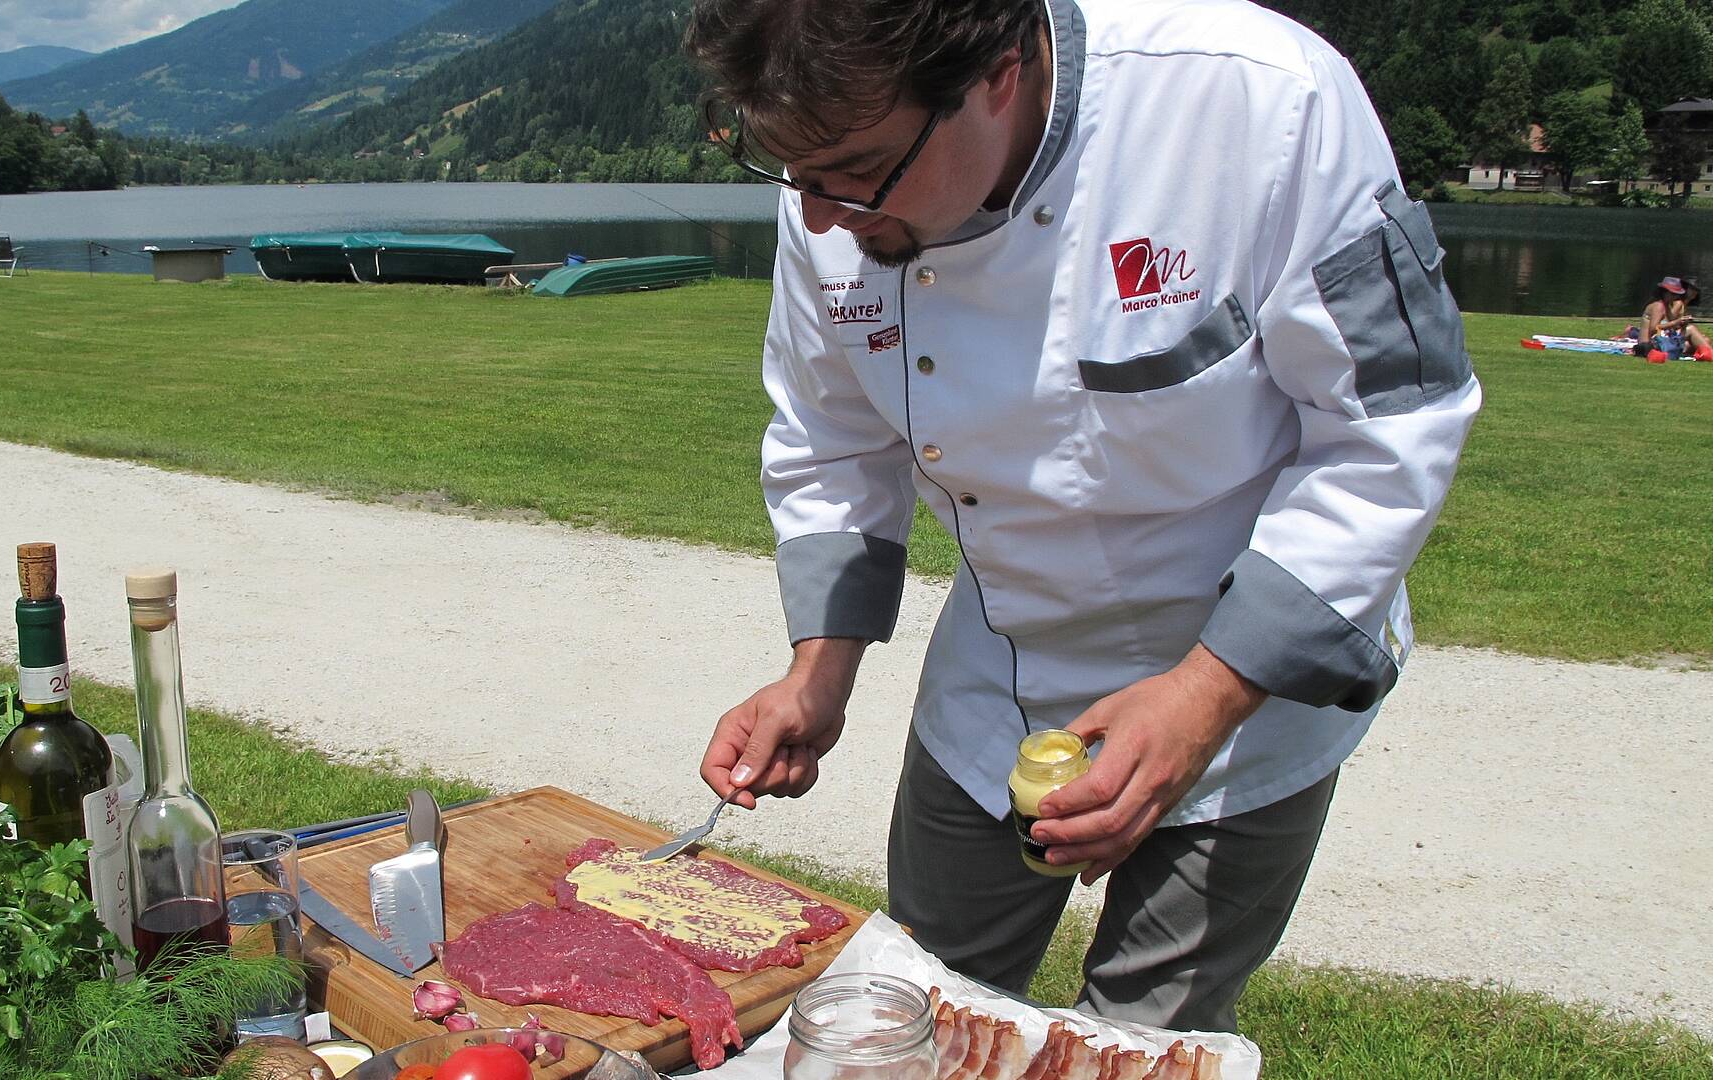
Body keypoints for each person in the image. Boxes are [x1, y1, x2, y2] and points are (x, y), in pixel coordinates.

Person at [684, 0, 1482, 1034]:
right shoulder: (835, 187)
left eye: (857, 170)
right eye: (792, 174)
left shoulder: (1260, 100)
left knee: (1140, 1040)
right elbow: (832, 442)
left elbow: (1390, 425)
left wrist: (1203, 697)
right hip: (999, 683)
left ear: (1000, 74)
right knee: (917, 1007)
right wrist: (817, 672)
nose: (823, 217)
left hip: (1250, 688)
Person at [1637, 276, 1711, 362]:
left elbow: (1672, 326)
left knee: (1699, 337)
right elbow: (1653, 329)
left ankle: (1708, 354)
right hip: (1648, 346)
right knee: (1691, 329)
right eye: (1673, 294)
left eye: (1677, 294)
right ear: (1664, 292)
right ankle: (1710, 354)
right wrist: (1676, 322)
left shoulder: (1666, 306)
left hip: (1659, 342)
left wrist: (1683, 323)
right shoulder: (1658, 306)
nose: (1675, 297)